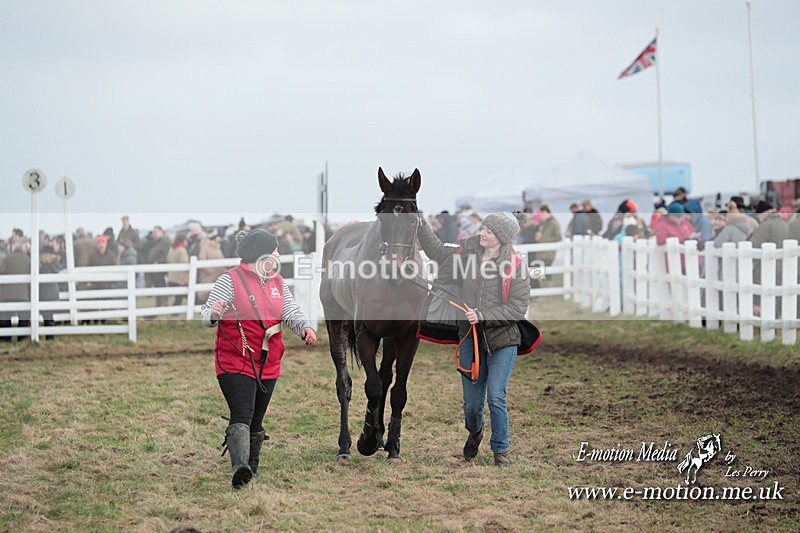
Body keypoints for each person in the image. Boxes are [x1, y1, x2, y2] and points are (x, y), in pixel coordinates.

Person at [201, 229, 317, 488]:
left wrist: (304, 327)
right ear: (262, 254)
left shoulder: (277, 282)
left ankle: (250, 471)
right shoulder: (229, 280)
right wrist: (213, 313)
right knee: (242, 412)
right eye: (274, 250)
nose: (278, 254)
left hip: (269, 363)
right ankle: (239, 469)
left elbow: (290, 311)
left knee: (256, 419)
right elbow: (206, 314)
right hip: (235, 361)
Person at [416, 212, 530, 466]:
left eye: (488, 230)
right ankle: (475, 432)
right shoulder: (466, 254)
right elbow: (436, 251)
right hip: (470, 337)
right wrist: (422, 225)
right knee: (472, 404)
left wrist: (483, 315)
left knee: (496, 395)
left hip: (503, 340)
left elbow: (516, 309)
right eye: (483, 228)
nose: (483, 233)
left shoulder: (515, 266)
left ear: (501, 238)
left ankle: (501, 451)